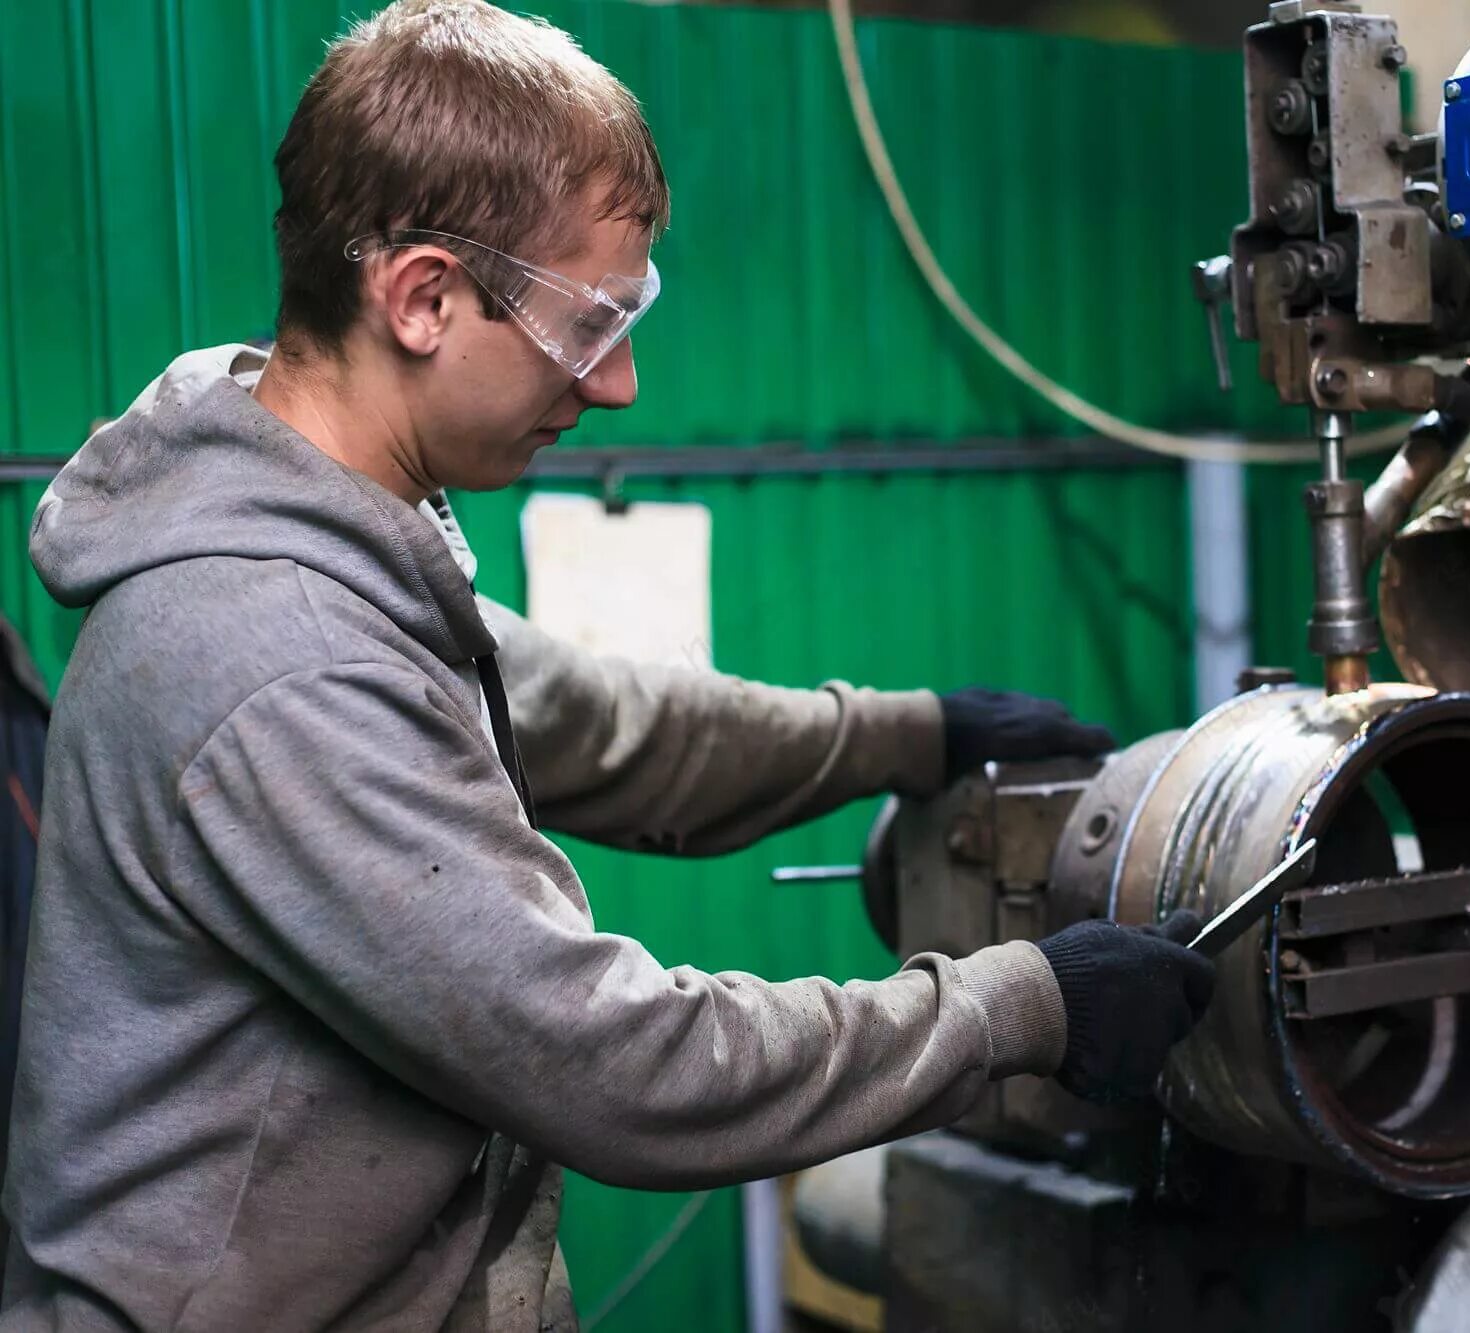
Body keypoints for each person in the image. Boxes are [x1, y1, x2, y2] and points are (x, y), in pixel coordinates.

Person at [0, 2, 1215, 1328]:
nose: (622, 382)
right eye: (591, 322)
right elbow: (609, 1059)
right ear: (423, 297)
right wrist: (1020, 1007)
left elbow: (593, 718)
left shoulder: (341, 531)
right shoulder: (269, 650)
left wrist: (903, 731)